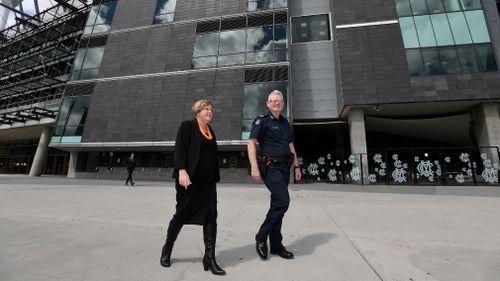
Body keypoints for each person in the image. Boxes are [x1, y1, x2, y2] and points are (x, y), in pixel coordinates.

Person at [160, 100, 225, 275]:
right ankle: (167, 249)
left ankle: (209, 258)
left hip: (208, 183)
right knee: (181, 215)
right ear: (197, 111)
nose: (210, 112)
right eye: (206, 109)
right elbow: (180, 148)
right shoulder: (187, 126)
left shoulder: (211, 131)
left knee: (211, 216)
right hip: (189, 181)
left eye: (211, 110)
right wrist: (182, 171)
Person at [247, 90, 302, 261]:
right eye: (273, 100)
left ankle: (276, 246)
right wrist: (254, 167)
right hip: (271, 167)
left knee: (278, 204)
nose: (277, 103)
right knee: (283, 201)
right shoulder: (262, 120)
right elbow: (251, 142)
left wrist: (297, 166)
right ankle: (261, 237)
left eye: (280, 100)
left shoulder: (285, 123)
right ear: (268, 103)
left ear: (283, 104)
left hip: (285, 167)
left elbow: (290, 145)